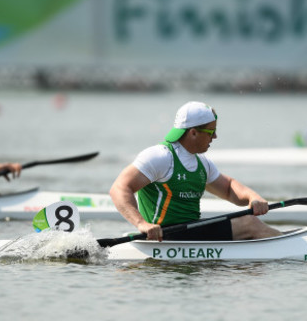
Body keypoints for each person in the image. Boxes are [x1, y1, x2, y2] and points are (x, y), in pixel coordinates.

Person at [110, 101, 281, 242]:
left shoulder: (202, 163)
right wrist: (141, 224)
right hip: (163, 236)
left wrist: (253, 198)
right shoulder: (160, 157)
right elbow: (119, 188)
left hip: (190, 232)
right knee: (248, 225)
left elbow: (229, 188)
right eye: (211, 132)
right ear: (192, 133)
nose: (215, 137)